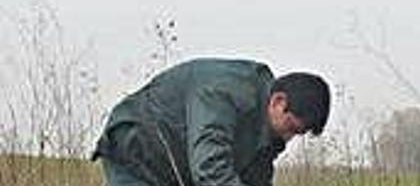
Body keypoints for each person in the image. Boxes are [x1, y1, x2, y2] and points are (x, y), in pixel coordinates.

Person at [93, 58, 331, 186]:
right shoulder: (224, 93)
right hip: (137, 154)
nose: (289, 138)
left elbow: (255, 179)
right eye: (291, 128)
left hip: (178, 169)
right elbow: (210, 169)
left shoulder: (266, 131)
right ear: (278, 102)